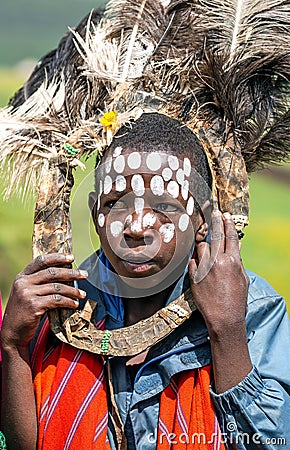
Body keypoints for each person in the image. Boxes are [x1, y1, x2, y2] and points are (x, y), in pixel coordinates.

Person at [1, 113, 290, 450]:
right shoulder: (64, 306)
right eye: (115, 205)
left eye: (165, 205)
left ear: (201, 220)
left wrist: (226, 330)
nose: (136, 228)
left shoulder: (251, 308)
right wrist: (14, 346)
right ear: (96, 213)